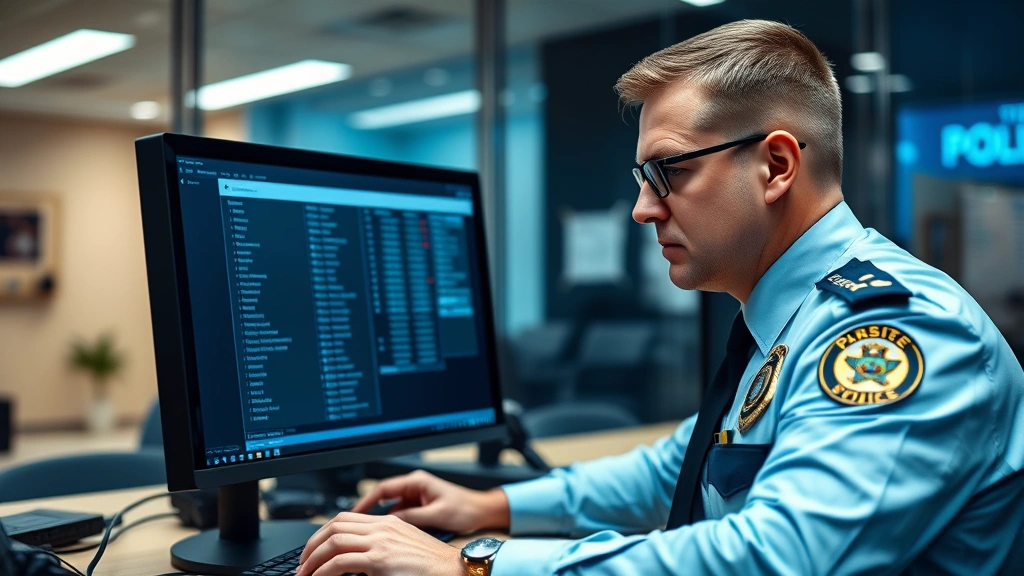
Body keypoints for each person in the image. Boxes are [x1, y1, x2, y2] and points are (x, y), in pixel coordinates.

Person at [296, 19, 1024, 576]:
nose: (644, 209)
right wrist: (491, 505)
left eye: (668, 172)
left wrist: (473, 563)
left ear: (776, 165)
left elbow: (779, 557)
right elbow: (680, 466)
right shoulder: (790, 319)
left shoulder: (894, 334)